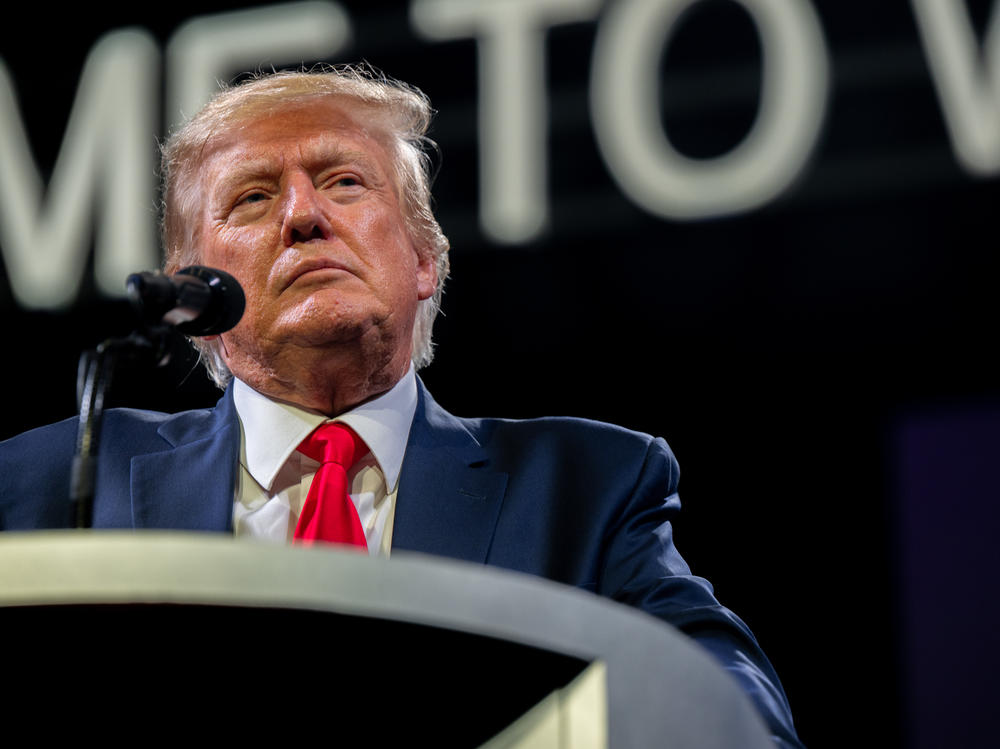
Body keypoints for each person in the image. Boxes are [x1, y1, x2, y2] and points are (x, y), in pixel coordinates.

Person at [0, 66, 802, 747]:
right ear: (192, 292)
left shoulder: (586, 487)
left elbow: (727, 704)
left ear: (425, 256)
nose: (302, 215)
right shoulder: (56, 477)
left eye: (345, 181)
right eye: (250, 198)